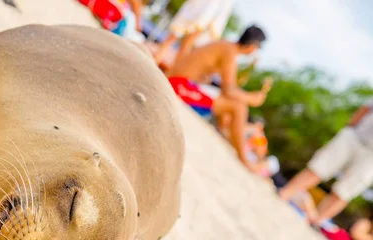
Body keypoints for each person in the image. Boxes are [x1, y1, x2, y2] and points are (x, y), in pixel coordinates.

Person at [167, 25, 272, 172]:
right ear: (252, 46)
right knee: (239, 107)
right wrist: (251, 98)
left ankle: (231, 139)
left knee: (234, 103)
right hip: (179, 86)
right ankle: (244, 159)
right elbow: (229, 90)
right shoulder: (229, 51)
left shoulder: (226, 47)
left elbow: (229, 90)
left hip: (180, 83)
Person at [278, 99, 373, 225]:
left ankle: (316, 221)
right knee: (320, 167)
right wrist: (349, 127)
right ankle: (285, 193)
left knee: (347, 189)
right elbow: (366, 108)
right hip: (355, 136)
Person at [153, 0, 236, 69]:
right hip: (204, 6)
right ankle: (161, 64)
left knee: (185, 42)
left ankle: (172, 70)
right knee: (178, 38)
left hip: (209, 8)